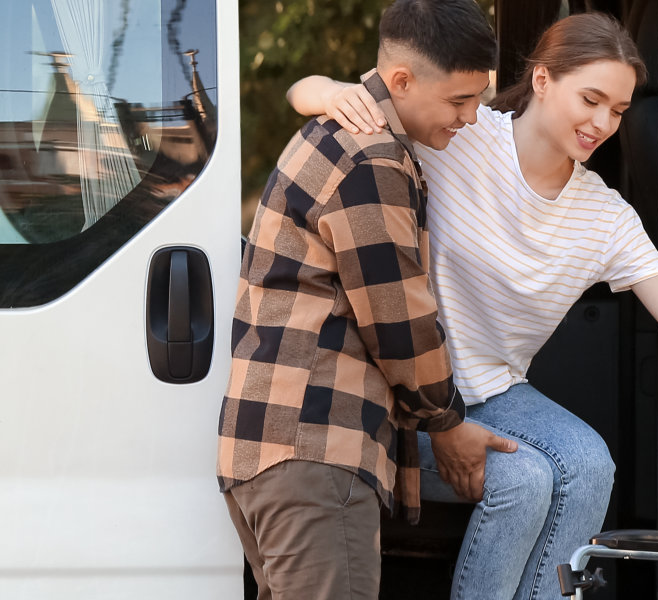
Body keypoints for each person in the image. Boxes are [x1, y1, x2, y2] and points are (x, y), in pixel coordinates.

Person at [288, 12, 658, 600]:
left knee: (590, 465)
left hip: (496, 392)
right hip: (415, 393)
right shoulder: (459, 134)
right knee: (527, 481)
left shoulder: (603, 216)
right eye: (591, 99)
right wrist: (331, 92)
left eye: (618, 110)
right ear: (540, 80)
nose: (603, 123)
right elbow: (307, 93)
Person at [218, 1, 518, 598]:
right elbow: (398, 319)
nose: (471, 118)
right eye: (459, 101)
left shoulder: (337, 135)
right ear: (402, 81)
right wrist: (446, 421)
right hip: (315, 448)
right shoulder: (371, 159)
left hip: (272, 445)